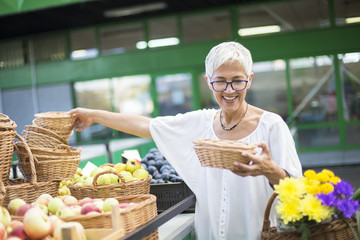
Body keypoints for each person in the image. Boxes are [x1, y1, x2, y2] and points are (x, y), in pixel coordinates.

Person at [68, 41, 302, 239]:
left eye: (237, 80)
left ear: (249, 80)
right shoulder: (200, 123)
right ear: (209, 80)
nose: (229, 90)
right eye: (220, 81)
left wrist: (270, 170)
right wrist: (94, 115)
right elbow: (145, 125)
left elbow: (298, 190)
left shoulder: (271, 126)